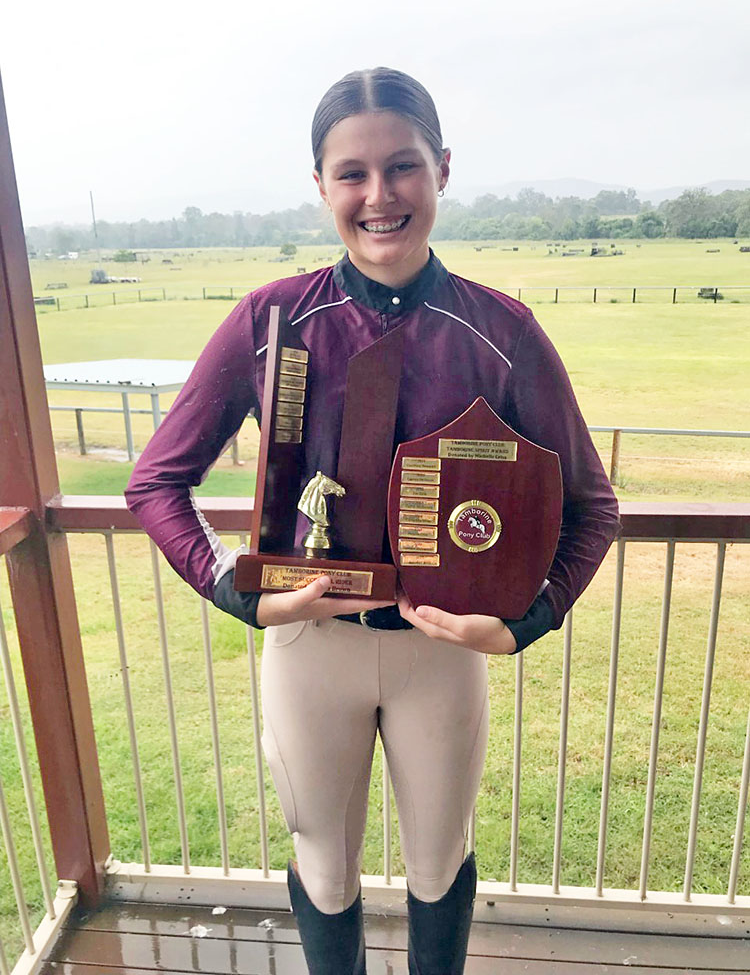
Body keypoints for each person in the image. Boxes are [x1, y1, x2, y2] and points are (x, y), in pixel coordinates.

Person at [126, 67, 620, 975]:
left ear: (442, 171)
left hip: (444, 652)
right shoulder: (271, 318)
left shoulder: (501, 330)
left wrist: (525, 625)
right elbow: (157, 481)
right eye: (351, 173)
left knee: (438, 866)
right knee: (325, 868)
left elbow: (592, 505)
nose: (379, 195)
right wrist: (241, 595)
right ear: (320, 186)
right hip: (314, 649)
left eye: (402, 167)